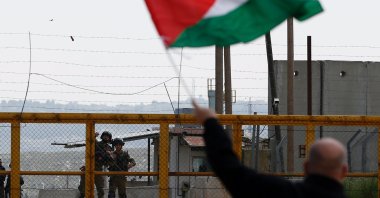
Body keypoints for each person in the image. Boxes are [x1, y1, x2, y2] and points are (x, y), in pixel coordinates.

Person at [192, 100, 348, 198]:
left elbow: (231, 170)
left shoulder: (280, 192)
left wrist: (210, 122)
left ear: (306, 167)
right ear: (344, 171)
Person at [78, 131, 113, 198]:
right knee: (83, 189)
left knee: (100, 189)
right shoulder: (97, 144)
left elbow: (110, 161)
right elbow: (91, 141)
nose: (106, 137)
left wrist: (108, 155)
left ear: (109, 138)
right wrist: (93, 136)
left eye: (107, 136)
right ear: (102, 137)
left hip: (98, 168)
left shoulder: (109, 148)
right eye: (104, 136)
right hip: (89, 166)